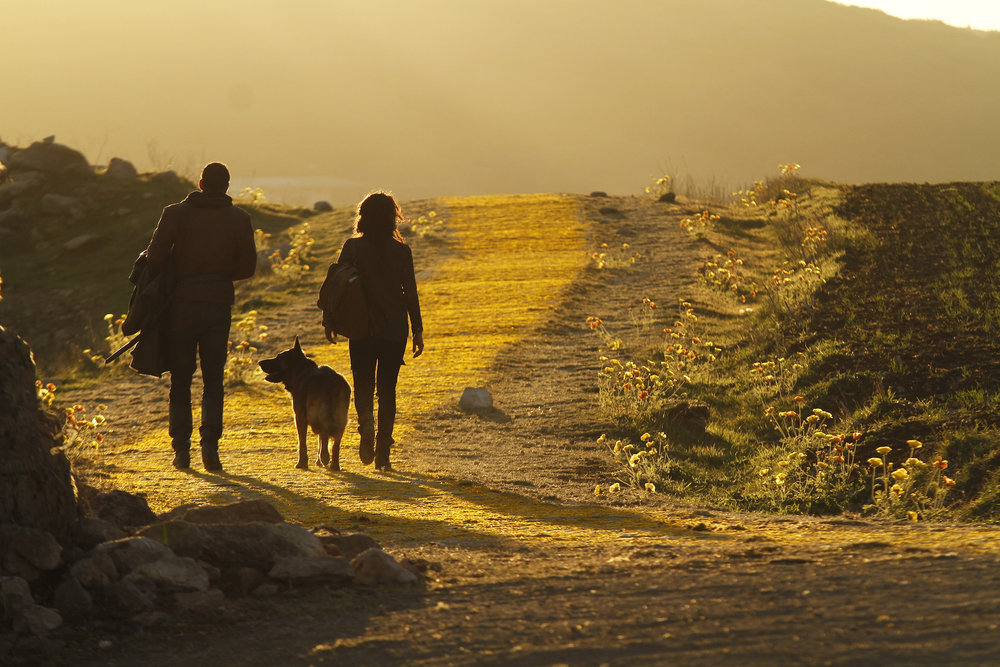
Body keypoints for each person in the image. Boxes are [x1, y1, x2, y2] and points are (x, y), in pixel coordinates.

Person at [144, 162, 256, 471]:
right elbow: (247, 268)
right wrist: (218, 278)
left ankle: (181, 449)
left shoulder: (175, 213)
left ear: (201, 182)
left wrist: (173, 278)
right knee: (213, 378)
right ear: (227, 186)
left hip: (180, 304)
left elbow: (154, 257)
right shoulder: (239, 219)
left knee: (180, 378)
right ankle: (210, 446)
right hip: (218, 304)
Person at [327, 191, 423, 471]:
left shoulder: (352, 247)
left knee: (364, 385)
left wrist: (330, 321)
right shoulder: (402, 252)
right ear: (393, 217)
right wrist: (417, 329)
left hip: (361, 327)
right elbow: (410, 293)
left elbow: (337, 285)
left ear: (364, 216)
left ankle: (365, 424)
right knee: (388, 391)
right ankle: (383, 453)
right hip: (394, 328)